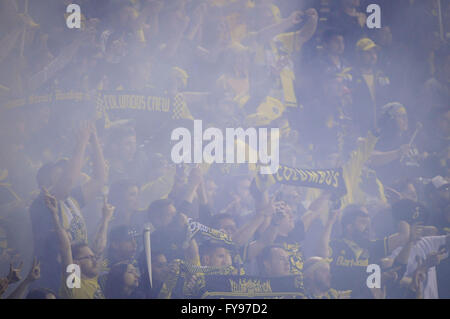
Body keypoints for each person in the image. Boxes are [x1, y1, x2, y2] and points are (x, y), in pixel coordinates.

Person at [30, 121, 106, 293]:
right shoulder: (42, 201)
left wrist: (94, 143)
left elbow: (99, 179)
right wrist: (81, 143)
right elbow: (68, 180)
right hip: (53, 276)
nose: (69, 170)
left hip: (76, 270)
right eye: (60, 169)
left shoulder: (73, 198)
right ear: (46, 180)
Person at [43, 187, 104, 299]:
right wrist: (55, 215)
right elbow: (65, 248)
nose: (94, 260)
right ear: (76, 263)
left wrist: (106, 219)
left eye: (93, 257)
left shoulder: (93, 279)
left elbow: (100, 247)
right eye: (89, 257)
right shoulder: (74, 284)